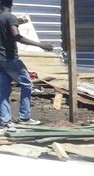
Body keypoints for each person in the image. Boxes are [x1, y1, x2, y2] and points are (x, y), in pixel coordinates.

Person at [0, 0, 53, 128]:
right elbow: (16, 36)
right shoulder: (10, 17)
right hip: (10, 58)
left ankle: (5, 120)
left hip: (0, 59)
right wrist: (40, 45)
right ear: (11, 4)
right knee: (27, 84)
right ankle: (24, 117)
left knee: (3, 90)